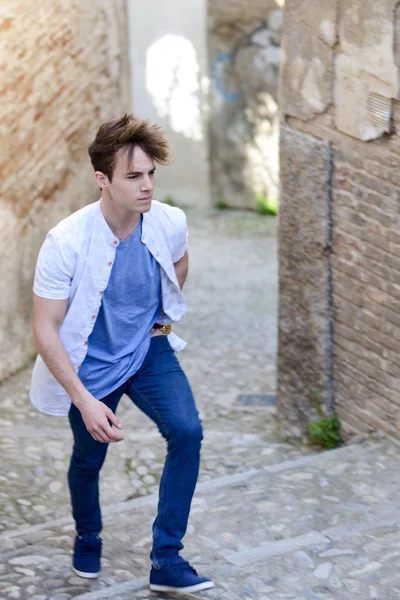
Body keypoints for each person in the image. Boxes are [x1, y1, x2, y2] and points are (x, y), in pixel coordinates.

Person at [30, 114, 214, 594]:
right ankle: (88, 535)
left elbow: (179, 261)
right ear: (102, 180)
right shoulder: (65, 242)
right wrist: (85, 399)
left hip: (149, 350)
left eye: (151, 174)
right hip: (88, 366)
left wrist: (161, 314)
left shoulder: (169, 221)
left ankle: (167, 559)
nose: (147, 185)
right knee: (89, 460)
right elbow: (45, 329)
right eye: (134, 176)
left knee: (187, 431)